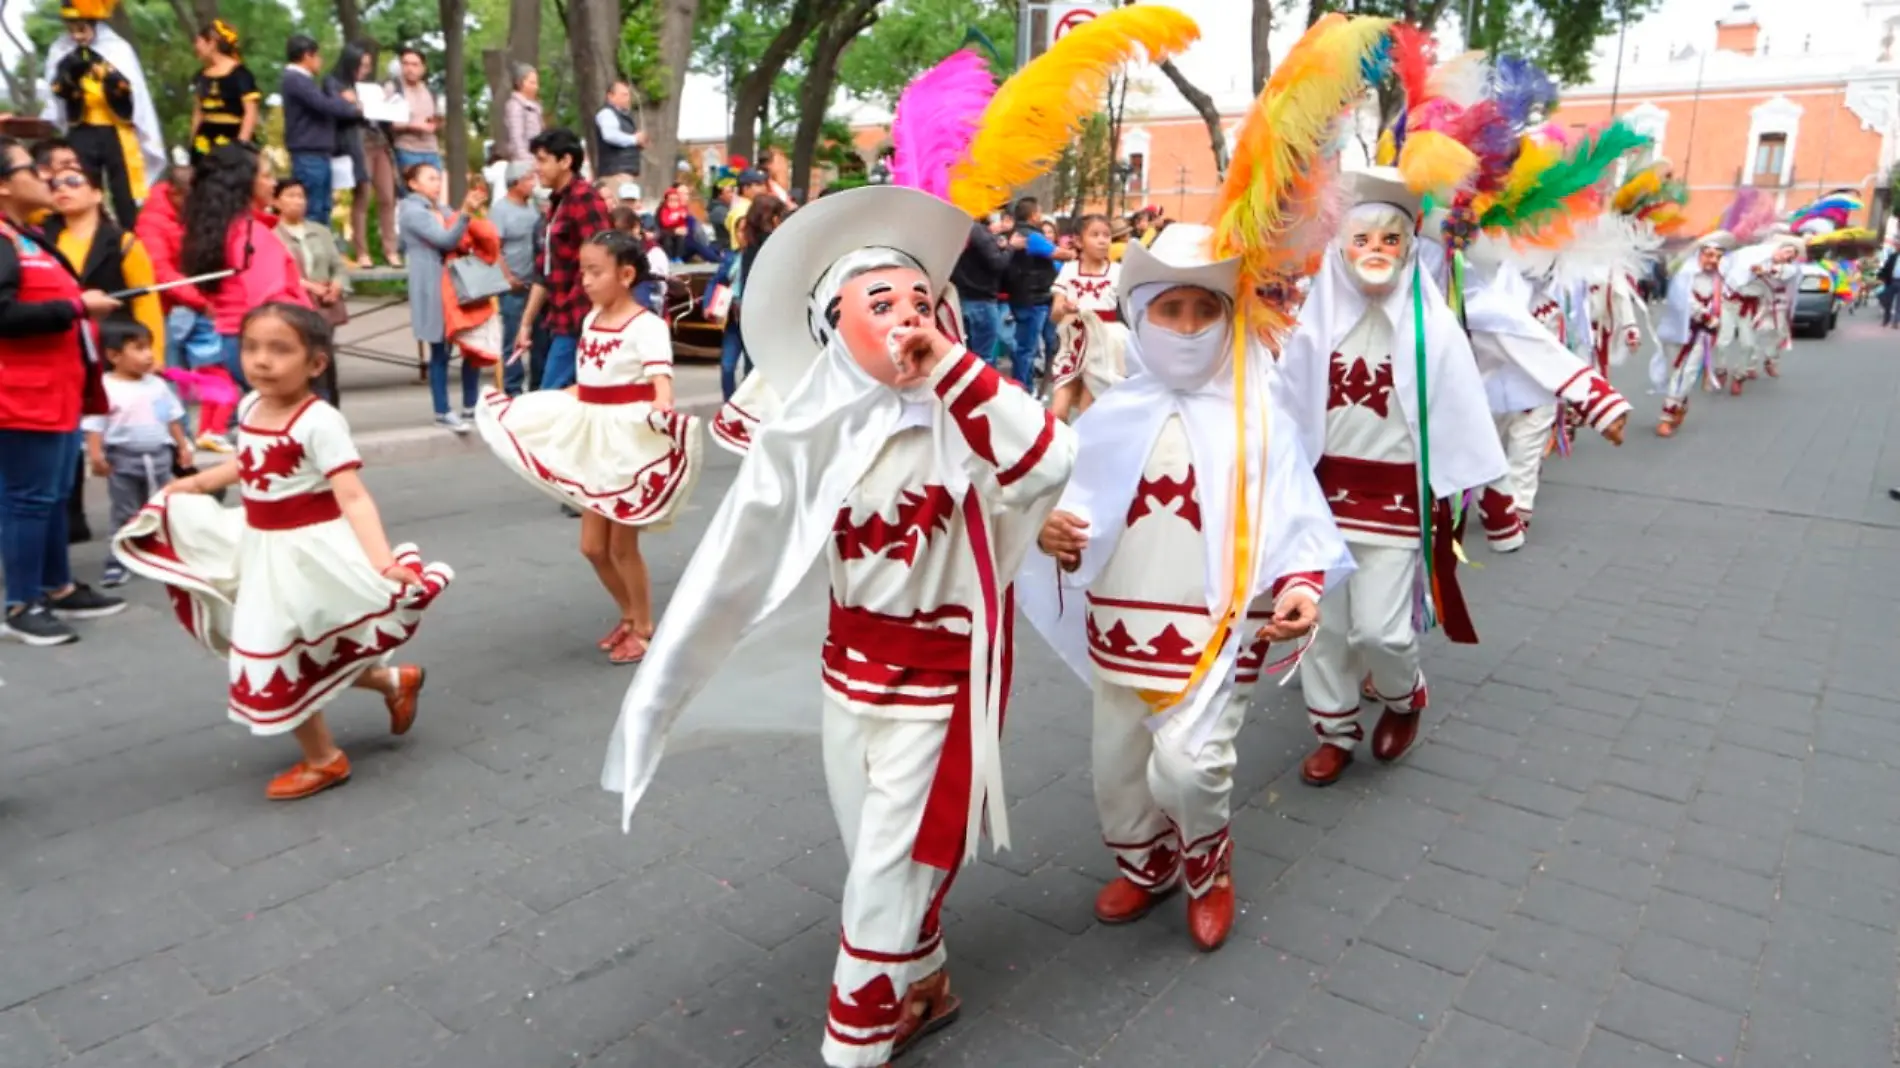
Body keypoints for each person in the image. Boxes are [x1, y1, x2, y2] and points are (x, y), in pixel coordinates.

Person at [603, 184, 1076, 1068]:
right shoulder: (808, 433)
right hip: (849, 681)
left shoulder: (966, 412)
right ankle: (925, 980)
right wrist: (664, 689)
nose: (909, 316)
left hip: (939, 688)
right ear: (831, 331)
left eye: (919, 298)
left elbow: (1048, 459)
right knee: (874, 854)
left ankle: (854, 1042)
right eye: (880, 303)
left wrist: (955, 372)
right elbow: (735, 564)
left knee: (885, 872)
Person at [1027, 226, 1347, 952]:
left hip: (1220, 626)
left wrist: (1302, 583)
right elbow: (1057, 504)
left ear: (1230, 315)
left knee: (1191, 767)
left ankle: (1209, 866)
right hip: (1119, 626)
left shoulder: (1259, 417)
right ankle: (1148, 863)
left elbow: (1295, 511)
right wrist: (1044, 530)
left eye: (1205, 309)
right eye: (1170, 310)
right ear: (1140, 316)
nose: (1188, 327)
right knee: (1118, 772)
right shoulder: (1107, 416)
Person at [112, 303, 449, 799]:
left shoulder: (319, 421)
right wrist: (200, 483)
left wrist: (383, 561)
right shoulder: (251, 406)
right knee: (307, 645)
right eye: (251, 348)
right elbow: (248, 463)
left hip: (308, 553)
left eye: (279, 349)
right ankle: (392, 682)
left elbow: (352, 494)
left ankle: (324, 759)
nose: (261, 361)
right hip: (260, 544)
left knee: (272, 652)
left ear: (315, 363)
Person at [1276, 168, 1508, 788]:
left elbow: (1464, 418)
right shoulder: (1310, 328)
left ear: (1408, 249)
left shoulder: (1433, 331)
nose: (1375, 251)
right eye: (1361, 239)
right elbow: (1279, 412)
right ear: (1340, 246)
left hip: (1396, 504)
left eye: (1390, 240)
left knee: (1380, 629)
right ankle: (1334, 731)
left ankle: (1406, 697)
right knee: (1324, 632)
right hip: (1321, 503)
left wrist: (1497, 499)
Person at [475, 231, 699, 663]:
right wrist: (539, 406)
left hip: (627, 446)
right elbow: (590, 383)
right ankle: (629, 614)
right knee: (592, 548)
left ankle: (644, 626)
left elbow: (662, 387)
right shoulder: (592, 318)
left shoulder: (647, 326)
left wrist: (662, 414)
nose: (586, 280)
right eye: (583, 270)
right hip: (592, 438)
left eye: (595, 271)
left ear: (626, 274)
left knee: (621, 547)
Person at [0, 135, 126, 646]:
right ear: (5, 184)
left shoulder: (25, 237)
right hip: (20, 397)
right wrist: (77, 308)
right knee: (28, 499)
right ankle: (20, 603)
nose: (48, 177)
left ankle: (57, 586)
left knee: (51, 499)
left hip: (56, 393)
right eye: (33, 168)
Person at [182, 144, 315, 404]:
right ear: (244, 183)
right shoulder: (252, 235)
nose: (273, 183)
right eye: (265, 176)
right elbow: (270, 303)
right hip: (270, 341)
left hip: (236, 338)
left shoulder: (218, 230)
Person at [84, 319, 195, 587]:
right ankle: (119, 559)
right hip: (122, 459)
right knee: (126, 510)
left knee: (163, 506)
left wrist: (182, 445)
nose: (149, 355)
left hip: (159, 456)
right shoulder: (106, 387)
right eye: (139, 348)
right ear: (113, 356)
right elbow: (96, 424)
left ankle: (164, 552)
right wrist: (96, 455)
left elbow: (171, 417)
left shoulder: (156, 385)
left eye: (150, 348)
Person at [39, 3, 164, 227]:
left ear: (94, 26)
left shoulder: (117, 50)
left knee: (125, 189)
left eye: (82, 30)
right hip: (82, 127)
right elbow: (57, 92)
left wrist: (108, 77)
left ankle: (130, 234)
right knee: (84, 182)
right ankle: (90, 232)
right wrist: (69, 76)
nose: (77, 36)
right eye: (72, 29)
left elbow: (131, 90)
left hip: (116, 128)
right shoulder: (62, 52)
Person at [39, 159, 166, 371]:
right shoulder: (41, 238)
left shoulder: (124, 242)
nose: (62, 188)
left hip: (112, 346)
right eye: (54, 185)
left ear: (97, 194)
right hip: (59, 342)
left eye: (73, 181)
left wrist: (154, 352)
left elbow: (146, 301)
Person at [137, 162, 228, 445]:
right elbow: (160, 272)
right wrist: (201, 301)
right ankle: (178, 437)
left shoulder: (191, 215)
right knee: (170, 375)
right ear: (176, 194)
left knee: (214, 367)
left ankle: (211, 430)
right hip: (166, 307)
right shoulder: (151, 221)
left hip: (196, 301)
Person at [515, 128, 611, 390]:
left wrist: (586, 317)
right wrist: (526, 323)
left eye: (543, 160)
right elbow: (545, 271)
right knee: (564, 403)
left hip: (580, 320)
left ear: (566, 161)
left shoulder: (584, 198)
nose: (537, 168)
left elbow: (602, 262)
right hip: (557, 319)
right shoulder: (558, 203)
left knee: (550, 400)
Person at [399, 162, 487, 430]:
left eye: (438, 178)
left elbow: (464, 232)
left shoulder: (441, 208)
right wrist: (466, 212)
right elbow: (447, 239)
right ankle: (443, 411)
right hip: (433, 285)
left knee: (471, 345)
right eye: (430, 178)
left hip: (457, 284)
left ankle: (471, 407)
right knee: (440, 349)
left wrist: (469, 211)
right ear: (413, 184)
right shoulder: (412, 211)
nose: (437, 183)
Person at [1652, 231, 1734, 438]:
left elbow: (1726, 300)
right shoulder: (1685, 274)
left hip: (1701, 335)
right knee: (1675, 370)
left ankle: (1666, 416)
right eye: (1709, 255)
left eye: (1717, 256)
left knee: (1685, 373)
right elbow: (1681, 301)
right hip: (1676, 331)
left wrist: (1714, 320)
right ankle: (1680, 401)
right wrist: (1705, 316)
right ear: (1700, 254)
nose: (1713, 260)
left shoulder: (1720, 279)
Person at [273, 176, 350, 398]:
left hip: (324, 307)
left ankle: (329, 406)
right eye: (290, 196)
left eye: (301, 196)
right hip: (293, 306)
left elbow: (338, 266)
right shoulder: (272, 235)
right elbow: (276, 273)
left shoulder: (320, 231)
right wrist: (308, 286)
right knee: (300, 361)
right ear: (277, 201)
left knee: (324, 361)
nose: (297, 201)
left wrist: (337, 284)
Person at [1048, 212, 1126, 419]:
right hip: (1073, 344)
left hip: (1104, 346)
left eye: (1107, 235)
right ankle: (1060, 450)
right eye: (1095, 235)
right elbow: (1055, 315)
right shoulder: (1069, 270)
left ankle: (1082, 451)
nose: (1102, 240)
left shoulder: (1118, 271)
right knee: (1058, 412)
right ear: (1079, 241)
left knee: (1087, 415)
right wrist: (1064, 308)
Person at [280, 34, 361, 229]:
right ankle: (312, 255)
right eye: (317, 56)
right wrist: (351, 106)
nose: (320, 61)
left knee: (324, 207)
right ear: (307, 56)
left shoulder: (303, 81)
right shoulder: (295, 79)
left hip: (319, 152)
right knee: (313, 209)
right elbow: (323, 105)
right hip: (308, 152)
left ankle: (324, 252)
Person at [1003, 197, 1064, 392]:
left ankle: (1026, 386)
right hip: (1033, 298)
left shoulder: (1015, 233)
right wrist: (1072, 253)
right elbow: (1056, 253)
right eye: (1039, 212)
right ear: (1033, 215)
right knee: (1027, 349)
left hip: (1022, 295)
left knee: (1027, 346)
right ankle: (1023, 389)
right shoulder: (1032, 236)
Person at [325, 42, 377, 269]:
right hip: (337, 145)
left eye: (368, 66)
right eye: (361, 66)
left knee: (363, 192)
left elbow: (366, 114)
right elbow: (336, 109)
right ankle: (330, 251)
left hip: (358, 143)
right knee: (333, 200)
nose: (365, 71)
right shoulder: (331, 82)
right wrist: (355, 107)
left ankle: (362, 251)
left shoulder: (362, 87)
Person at [491, 160, 540, 395]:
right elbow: (494, 248)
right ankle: (512, 388)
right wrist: (508, 277)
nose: (534, 184)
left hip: (535, 284)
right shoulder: (500, 211)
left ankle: (537, 385)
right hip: (513, 287)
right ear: (516, 182)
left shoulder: (532, 208)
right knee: (512, 336)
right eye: (529, 179)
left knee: (539, 336)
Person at [951, 212, 1015, 370]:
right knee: (984, 356)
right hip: (981, 300)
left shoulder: (957, 229)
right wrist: (1010, 248)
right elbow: (997, 262)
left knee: (967, 354)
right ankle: (983, 393)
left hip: (961, 298)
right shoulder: (978, 231)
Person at [189, 19, 258, 161]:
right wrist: (192, 143)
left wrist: (241, 146)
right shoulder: (201, 75)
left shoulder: (240, 74)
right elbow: (198, 112)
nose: (196, 47)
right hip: (204, 141)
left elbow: (250, 113)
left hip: (232, 136)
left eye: (199, 42)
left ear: (212, 43)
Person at [389, 46, 442, 175]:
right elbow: (389, 122)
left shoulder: (431, 90)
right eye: (405, 64)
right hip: (406, 149)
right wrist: (414, 126)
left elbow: (438, 117)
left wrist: (437, 123)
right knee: (411, 191)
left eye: (414, 64)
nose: (410, 69)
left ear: (423, 68)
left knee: (435, 191)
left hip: (431, 149)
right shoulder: (393, 88)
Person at [595, 78, 645, 192]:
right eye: (624, 95)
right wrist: (634, 139)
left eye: (628, 95)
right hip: (615, 173)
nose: (628, 98)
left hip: (624, 172)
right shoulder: (607, 114)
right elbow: (610, 136)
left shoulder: (622, 116)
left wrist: (637, 144)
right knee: (619, 207)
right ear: (610, 96)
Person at [500, 64, 542, 162]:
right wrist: (526, 160)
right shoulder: (516, 105)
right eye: (532, 83)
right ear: (520, 82)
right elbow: (516, 137)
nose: (536, 87)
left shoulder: (534, 105)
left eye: (536, 83)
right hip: (524, 162)